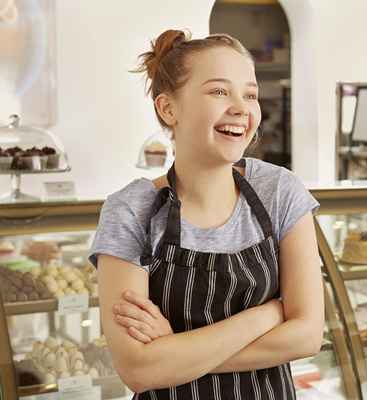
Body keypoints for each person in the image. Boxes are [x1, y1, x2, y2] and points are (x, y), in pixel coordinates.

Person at [88, 29, 324, 399]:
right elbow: (138, 369)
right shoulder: (132, 210)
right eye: (218, 91)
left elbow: (308, 335)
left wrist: (174, 353)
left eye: (250, 94)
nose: (241, 108)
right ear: (168, 108)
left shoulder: (279, 191)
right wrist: (267, 315)